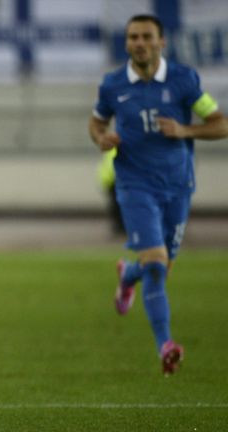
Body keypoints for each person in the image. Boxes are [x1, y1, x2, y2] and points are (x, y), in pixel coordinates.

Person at [89, 14, 228, 375]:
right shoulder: (113, 85)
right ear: (126, 43)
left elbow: (221, 124)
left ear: (161, 42)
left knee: (161, 266)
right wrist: (100, 137)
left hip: (178, 186)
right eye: (133, 37)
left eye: (147, 37)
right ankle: (165, 345)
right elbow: (96, 121)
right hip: (135, 186)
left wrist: (183, 129)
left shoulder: (184, 81)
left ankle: (127, 275)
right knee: (156, 264)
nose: (140, 43)